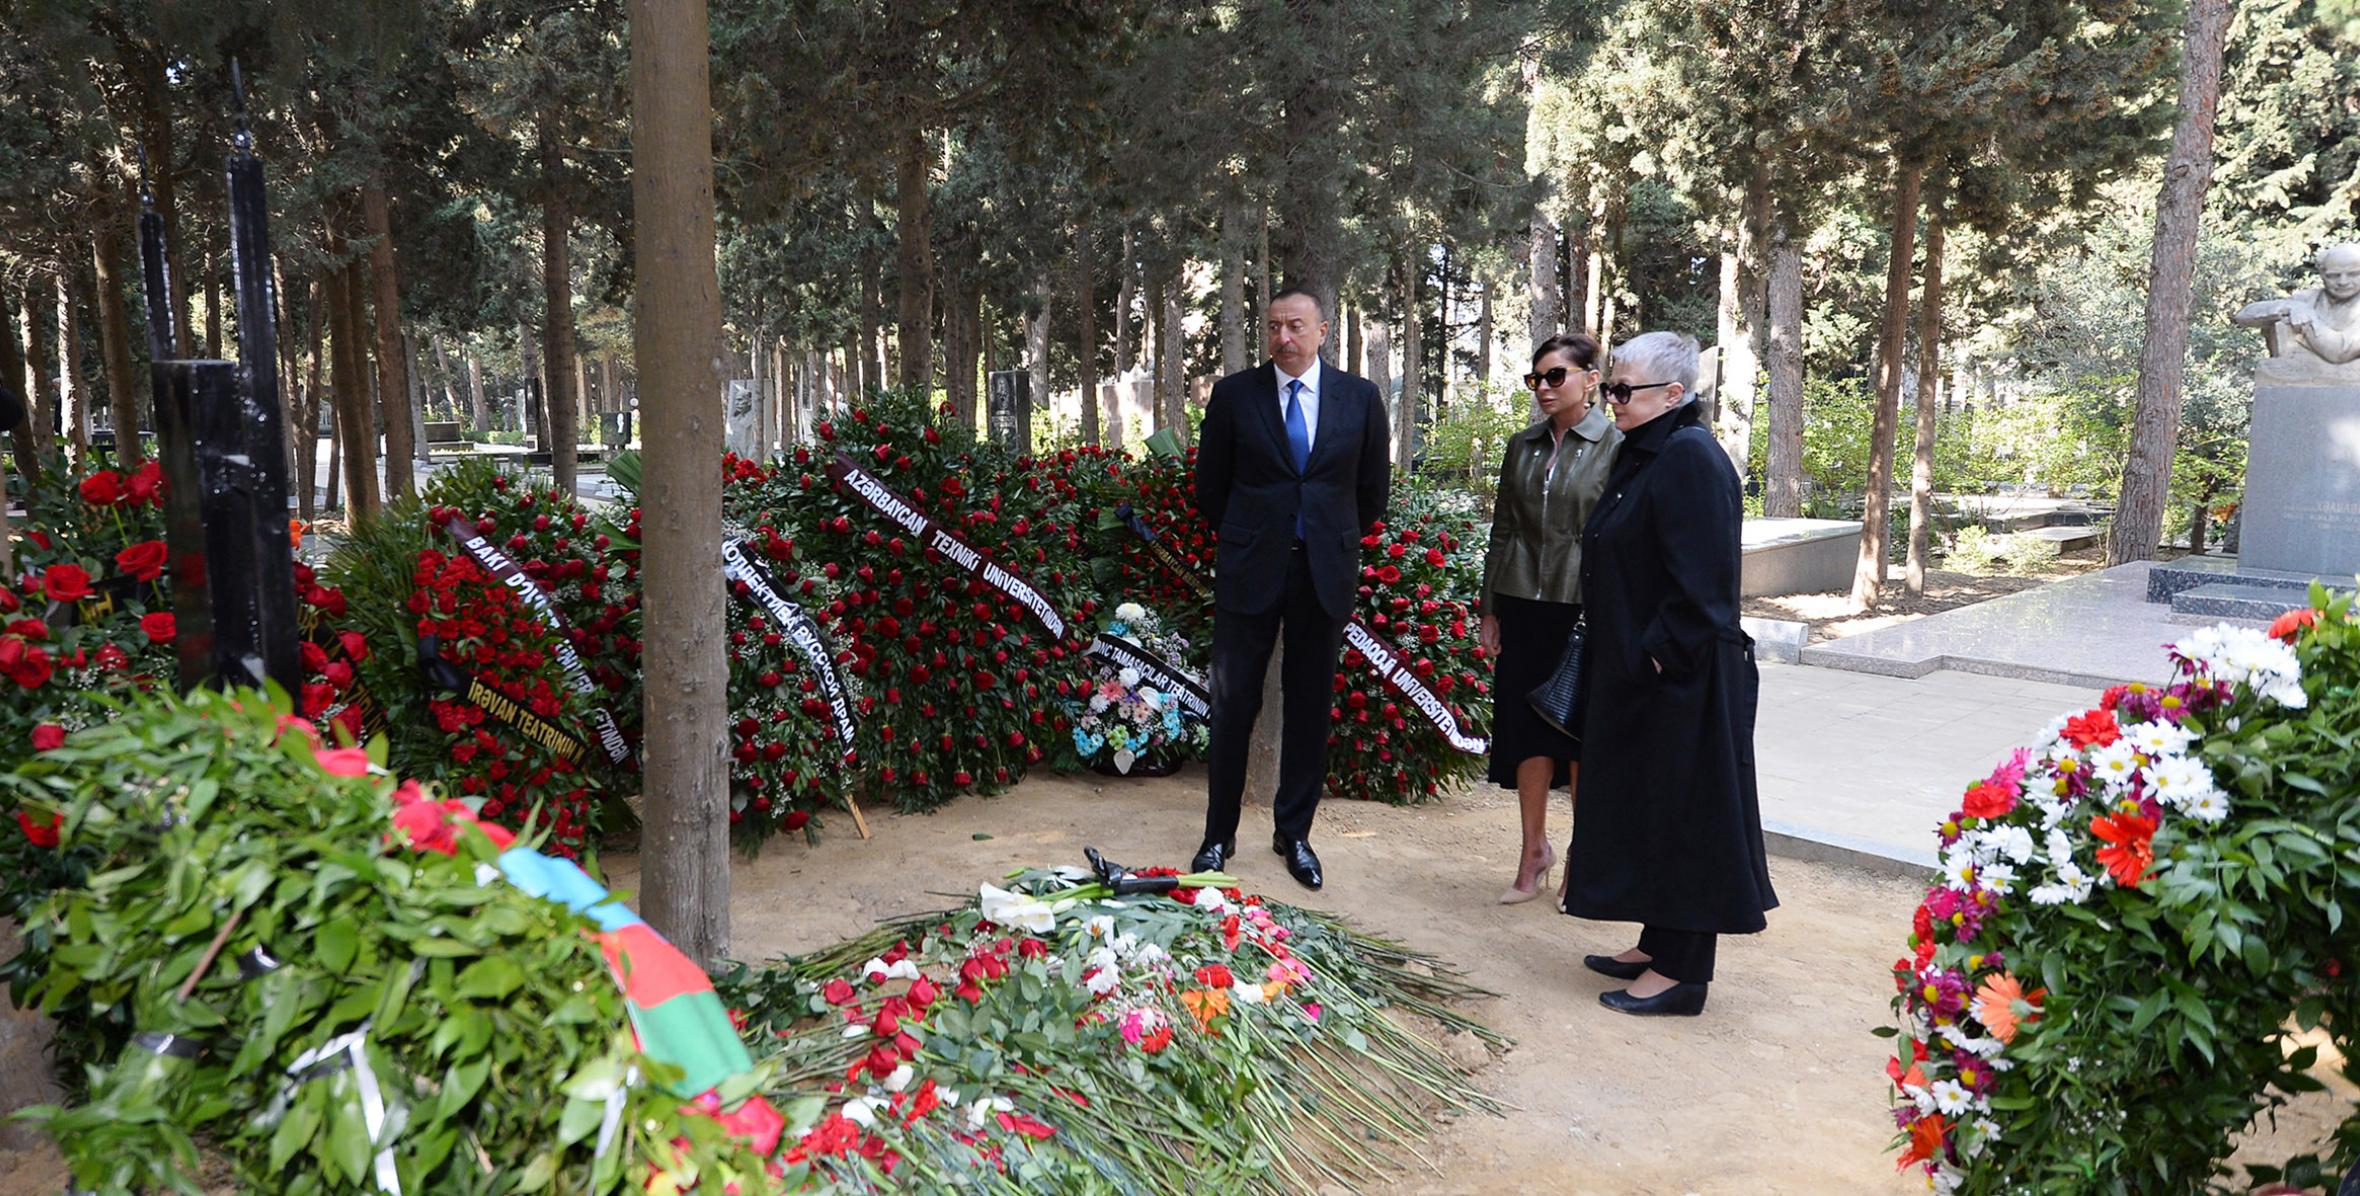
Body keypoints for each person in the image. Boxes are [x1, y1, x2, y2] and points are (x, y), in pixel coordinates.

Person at [1562, 330, 1776, 1017]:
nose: (1612, 399)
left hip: (1678, 680)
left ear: (1674, 395)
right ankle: (1658, 940)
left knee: (1686, 818)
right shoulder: (1647, 451)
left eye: (1625, 390)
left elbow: (1705, 585)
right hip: (1640, 675)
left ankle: (1683, 973)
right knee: (1649, 810)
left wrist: (1653, 655)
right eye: (1611, 386)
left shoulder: (1689, 458)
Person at [1191, 287, 1391, 890]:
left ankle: (1294, 834)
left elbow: (1371, 492)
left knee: (1308, 706)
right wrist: (1254, 536)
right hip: (1251, 571)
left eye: (1296, 326)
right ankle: (1217, 837)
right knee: (1232, 706)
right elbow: (1210, 489)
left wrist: (1328, 538)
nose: (1284, 337)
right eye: (1274, 326)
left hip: (1322, 574)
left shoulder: (1359, 398)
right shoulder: (1234, 396)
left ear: (1323, 331)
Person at [1478, 333, 1619, 904]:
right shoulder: (1523, 445)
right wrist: (1489, 608)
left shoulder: (1617, 445)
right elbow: (1503, 530)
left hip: (1583, 609)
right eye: (1535, 379)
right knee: (1525, 732)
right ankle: (1533, 851)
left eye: (1555, 376)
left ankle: (1580, 862)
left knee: (1580, 739)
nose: (1542, 388)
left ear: (1591, 379)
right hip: (1521, 604)